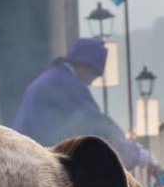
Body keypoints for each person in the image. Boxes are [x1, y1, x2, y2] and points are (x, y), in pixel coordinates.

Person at [12, 37, 147, 168]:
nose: (91, 81)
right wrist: (135, 153)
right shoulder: (65, 83)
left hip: (24, 157)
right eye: (94, 74)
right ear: (83, 64)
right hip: (33, 163)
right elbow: (96, 123)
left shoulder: (53, 77)